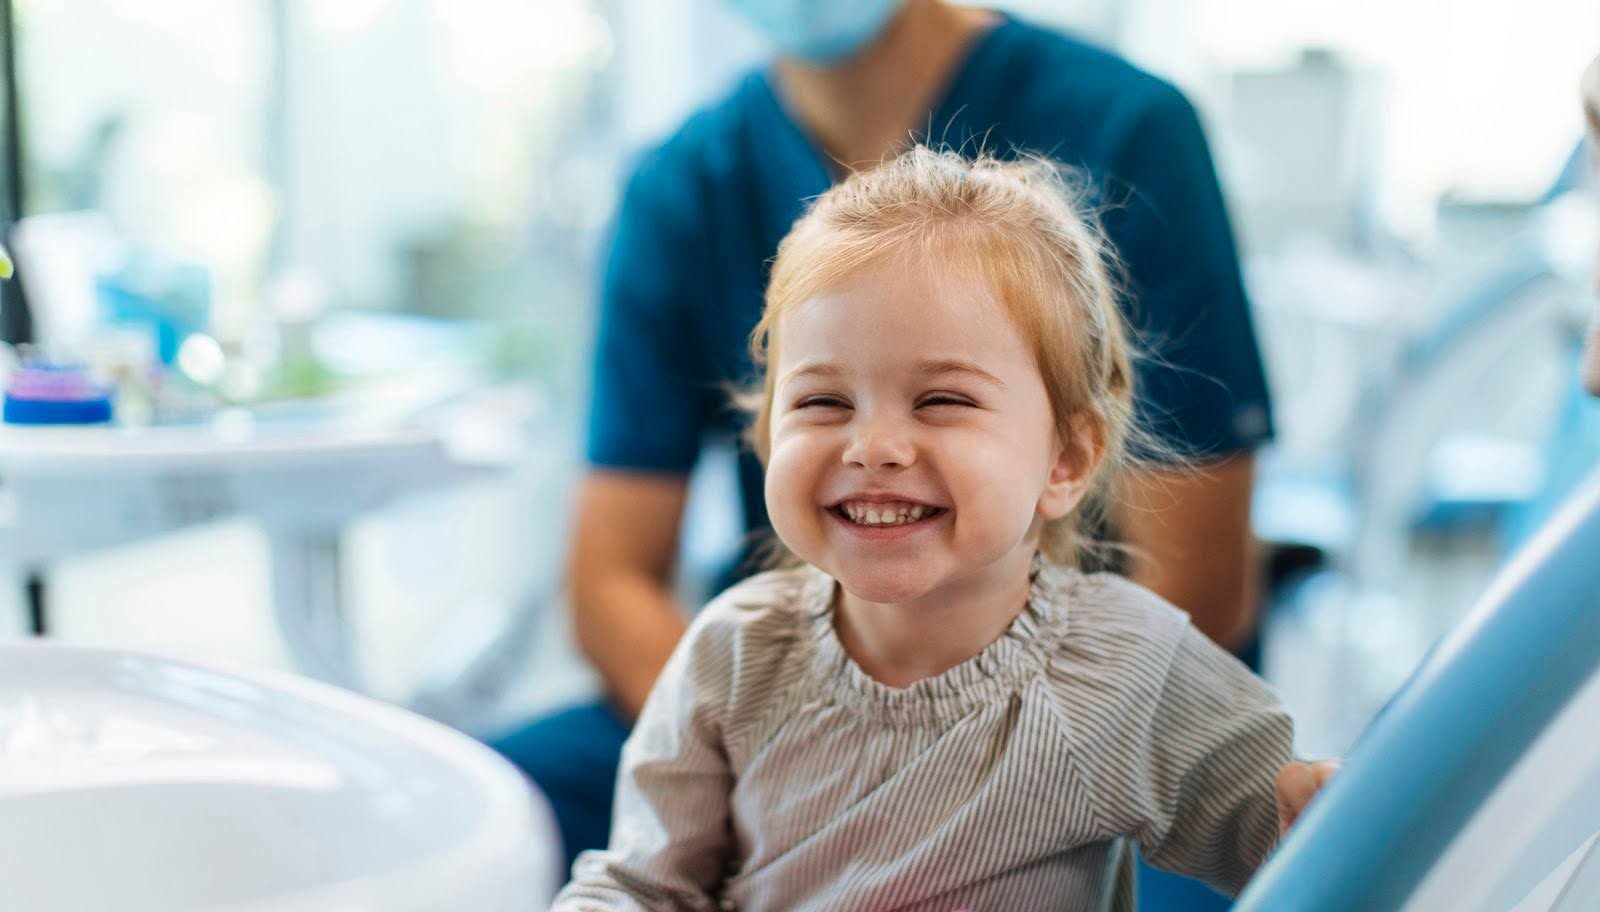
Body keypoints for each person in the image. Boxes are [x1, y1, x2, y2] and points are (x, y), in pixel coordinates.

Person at [494, 0, 1278, 886]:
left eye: (942, 399)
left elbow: (1204, 583)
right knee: (474, 811)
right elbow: (610, 578)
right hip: (786, 708)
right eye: (822, 401)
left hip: (1070, 730)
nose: (875, 445)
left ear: (1069, 456)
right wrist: (767, 761)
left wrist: (971, 786)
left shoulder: (1126, 128)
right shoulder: (686, 181)